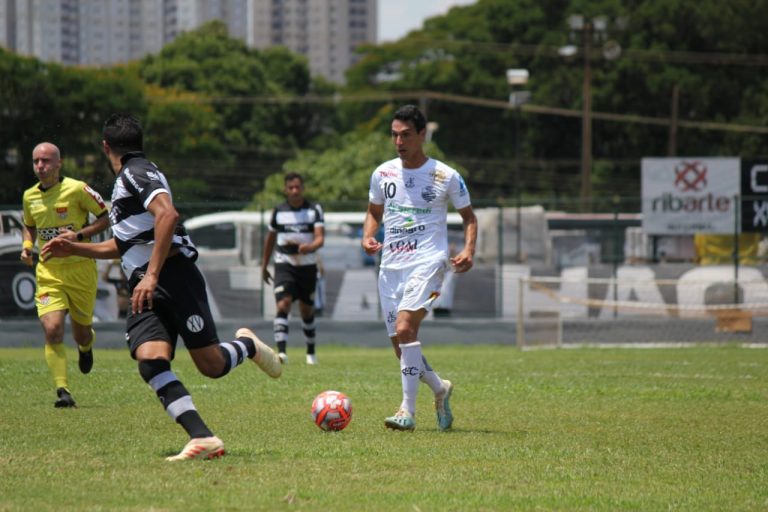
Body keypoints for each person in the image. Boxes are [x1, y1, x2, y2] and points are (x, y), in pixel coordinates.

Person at [42, 114, 282, 461]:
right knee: (150, 361)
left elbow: (167, 216)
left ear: (106, 146)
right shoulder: (131, 178)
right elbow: (128, 245)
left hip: (172, 276)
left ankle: (247, 345)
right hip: (148, 284)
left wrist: (152, 275)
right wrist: (77, 247)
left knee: (211, 366)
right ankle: (203, 437)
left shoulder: (136, 173)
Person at [361, 105, 477, 432]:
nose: (399, 141)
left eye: (406, 135)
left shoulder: (446, 176)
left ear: (422, 135)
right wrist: (368, 235)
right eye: (395, 134)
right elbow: (373, 212)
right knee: (402, 346)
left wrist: (468, 249)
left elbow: (469, 218)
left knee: (405, 328)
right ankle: (440, 388)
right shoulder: (382, 174)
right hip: (390, 268)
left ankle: (406, 411)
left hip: (428, 262)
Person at [21, 142, 110, 408]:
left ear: (59, 163)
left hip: (81, 270)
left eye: (46, 161)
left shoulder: (77, 189)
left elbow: (106, 218)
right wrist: (27, 247)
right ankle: (63, 391)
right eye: (36, 161)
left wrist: (79, 235)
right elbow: (29, 226)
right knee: (52, 329)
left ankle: (86, 346)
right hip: (49, 272)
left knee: (81, 333)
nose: (41, 166)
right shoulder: (29, 197)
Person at [261, 172, 325, 365]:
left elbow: (320, 238)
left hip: (307, 266)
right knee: (283, 304)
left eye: (298, 187)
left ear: (303, 189)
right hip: (284, 264)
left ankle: (311, 352)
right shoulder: (278, 211)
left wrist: (310, 247)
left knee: (306, 310)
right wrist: (264, 266)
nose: (295, 191)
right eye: (291, 188)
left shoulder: (314, 210)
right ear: (285, 189)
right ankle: (281, 353)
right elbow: (270, 239)